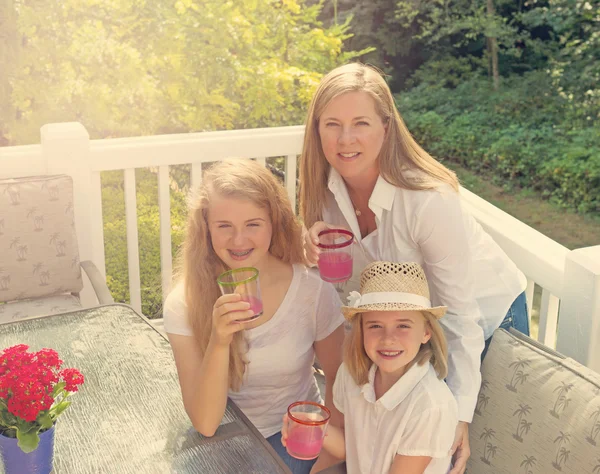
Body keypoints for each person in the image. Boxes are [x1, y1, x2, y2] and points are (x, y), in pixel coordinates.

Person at [299, 63, 528, 474]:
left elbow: (459, 315)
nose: (345, 139)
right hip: (407, 323)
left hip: (482, 313)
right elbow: (342, 290)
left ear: (386, 127)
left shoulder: (427, 200)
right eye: (331, 124)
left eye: (360, 123)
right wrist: (306, 252)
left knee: (464, 448)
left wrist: (459, 412)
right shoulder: (323, 192)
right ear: (316, 130)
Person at [163, 159, 345, 474]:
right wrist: (220, 342)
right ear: (206, 229)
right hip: (221, 441)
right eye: (224, 226)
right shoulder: (185, 302)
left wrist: (324, 463)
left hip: (291, 438)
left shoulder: (311, 291)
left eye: (253, 224)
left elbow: (339, 384)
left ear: (274, 223)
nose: (239, 241)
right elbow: (206, 424)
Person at [282, 261, 458, 474]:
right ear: (361, 331)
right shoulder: (350, 373)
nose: (388, 339)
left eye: (403, 325)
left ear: (426, 332)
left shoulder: (430, 406)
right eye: (375, 325)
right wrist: (318, 427)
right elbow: (351, 449)